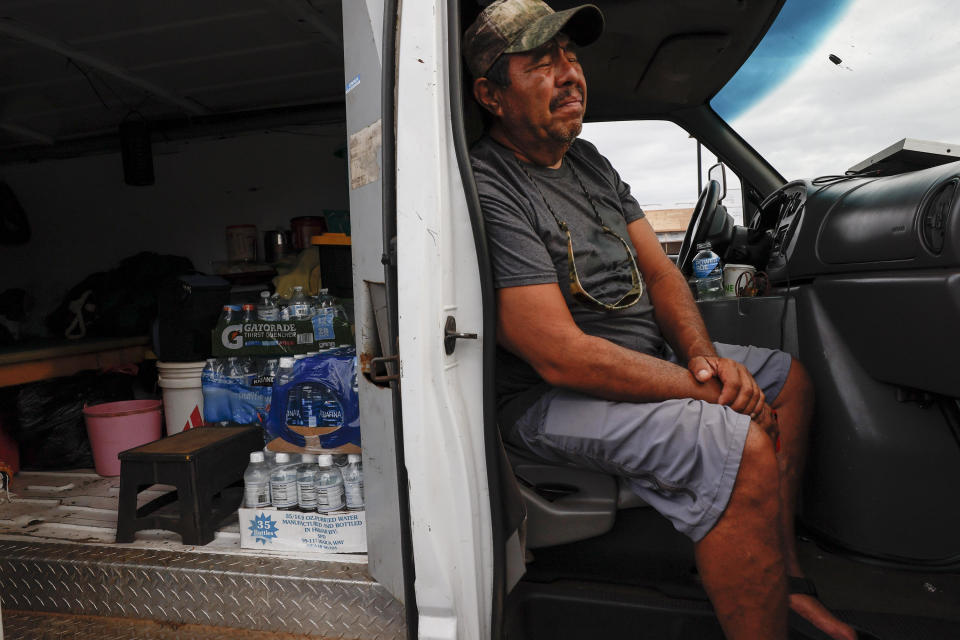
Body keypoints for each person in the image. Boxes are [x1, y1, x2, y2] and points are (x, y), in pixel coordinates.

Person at [464, 1, 860, 638]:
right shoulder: (490, 186)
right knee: (735, 438)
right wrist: (712, 389)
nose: (569, 73)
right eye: (541, 63)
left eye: (570, 56)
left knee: (787, 380)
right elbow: (560, 356)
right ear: (491, 94)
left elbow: (662, 273)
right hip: (546, 398)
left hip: (637, 363)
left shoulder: (590, 161)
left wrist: (703, 360)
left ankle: (780, 579)